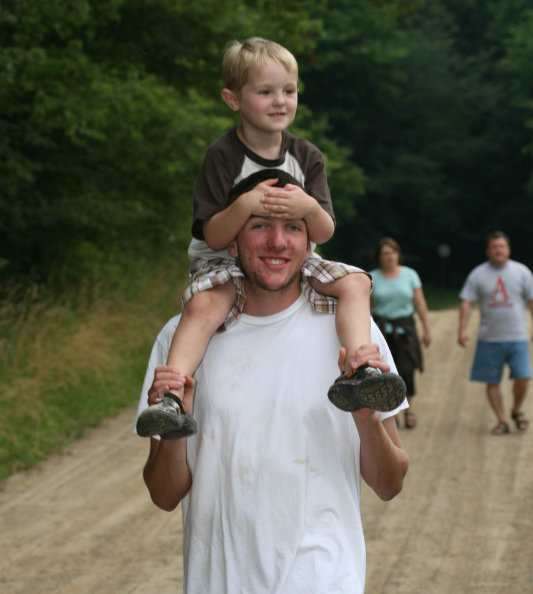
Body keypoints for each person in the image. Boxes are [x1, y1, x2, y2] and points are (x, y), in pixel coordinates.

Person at [138, 212, 409, 594]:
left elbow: (390, 482)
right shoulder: (184, 340)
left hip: (317, 591)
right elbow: (164, 493)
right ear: (232, 241)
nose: (277, 242)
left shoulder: (354, 333)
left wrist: (367, 418)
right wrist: (179, 425)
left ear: (312, 243)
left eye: (293, 228)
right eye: (259, 226)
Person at [136, 37, 405, 441]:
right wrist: (245, 206)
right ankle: (171, 396)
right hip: (222, 259)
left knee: (355, 282)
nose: (280, 101)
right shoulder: (223, 155)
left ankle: (359, 370)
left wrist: (307, 207)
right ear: (233, 99)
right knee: (205, 305)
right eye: (265, 92)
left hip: (293, 255)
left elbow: (325, 230)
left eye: (289, 91)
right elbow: (212, 232)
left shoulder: (307, 155)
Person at [458, 230, 533, 435]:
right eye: (494, 247)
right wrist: (462, 329)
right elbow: (466, 302)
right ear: (487, 251)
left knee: (523, 377)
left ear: (508, 249)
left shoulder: (522, 272)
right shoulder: (478, 274)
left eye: (501, 246)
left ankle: (516, 410)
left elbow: (531, 300)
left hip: (517, 336)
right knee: (492, 381)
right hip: (489, 338)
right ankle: (502, 420)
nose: (498, 250)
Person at [369, 237, 431, 429]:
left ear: (399, 254)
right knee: (384, 371)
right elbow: (365, 308)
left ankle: (409, 410)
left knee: (407, 369)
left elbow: (420, 303)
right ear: (379, 257)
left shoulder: (410, 275)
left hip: (406, 329)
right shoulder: (371, 277)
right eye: (386, 253)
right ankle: (391, 411)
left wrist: (427, 329)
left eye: (393, 252)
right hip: (382, 330)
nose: (390, 257)